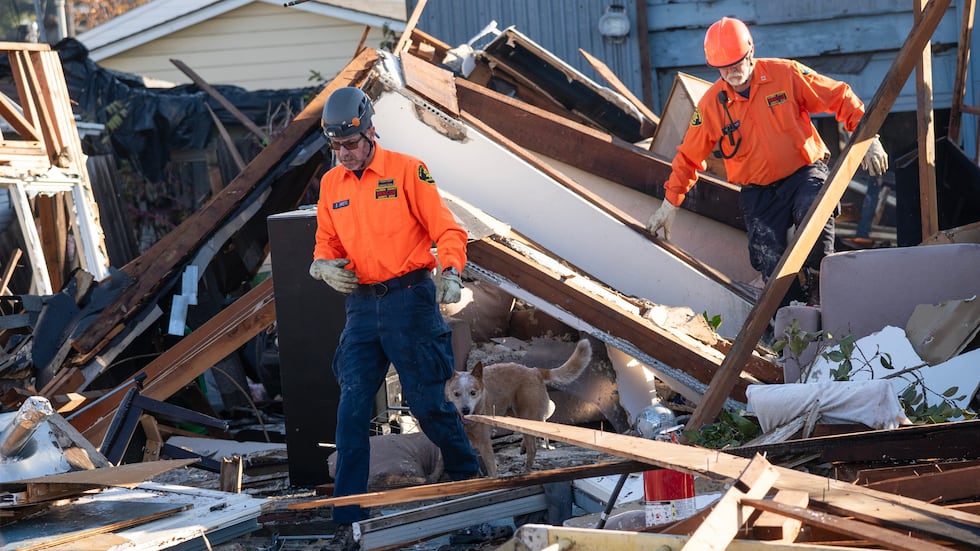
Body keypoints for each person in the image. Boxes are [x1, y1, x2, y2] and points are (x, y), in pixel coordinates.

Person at [309, 86, 480, 551]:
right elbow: (328, 243)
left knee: (429, 405)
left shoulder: (408, 170)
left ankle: (469, 481)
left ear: (369, 132)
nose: (343, 154)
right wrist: (321, 264)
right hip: (362, 307)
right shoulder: (331, 185)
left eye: (350, 144)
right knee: (351, 409)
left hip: (410, 300)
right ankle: (347, 514)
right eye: (336, 147)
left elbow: (447, 228)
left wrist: (450, 271)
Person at [646, 16, 888, 305]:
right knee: (767, 259)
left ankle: (823, 290)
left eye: (737, 63)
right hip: (758, 192)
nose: (733, 73)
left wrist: (868, 136)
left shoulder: (786, 75)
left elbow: (838, 96)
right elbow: (688, 156)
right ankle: (792, 320)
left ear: (750, 53)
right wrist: (669, 204)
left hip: (803, 174)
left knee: (814, 214)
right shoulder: (711, 106)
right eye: (725, 68)